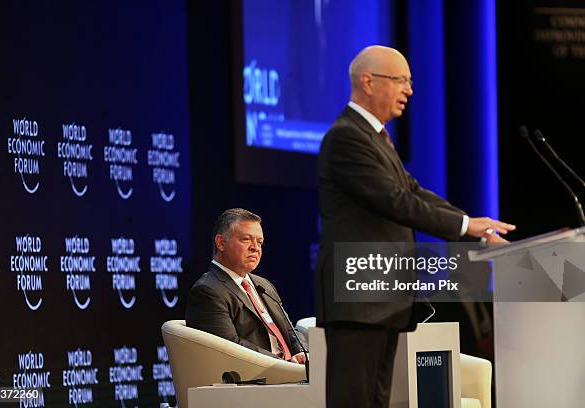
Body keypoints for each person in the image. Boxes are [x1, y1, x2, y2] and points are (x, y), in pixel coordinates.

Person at [315, 45, 515, 408]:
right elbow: (397, 201)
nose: (409, 90)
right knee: (353, 400)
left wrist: (474, 223)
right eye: (401, 80)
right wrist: (465, 227)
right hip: (360, 295)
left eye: (409, 81)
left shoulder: (375, 137)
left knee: (376, 400)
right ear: (368, 82)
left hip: (382, 294)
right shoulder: (346, 137)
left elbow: (412, 190)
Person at [186, 208, 307, 364]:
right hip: (257, 380)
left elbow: (290, 331)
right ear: (221, 243)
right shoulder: (207, 291)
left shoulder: (263, 285)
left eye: (259, 242)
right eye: (246, 239)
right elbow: (231, 348)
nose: (255, 247)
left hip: (293, 374)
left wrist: (305, 355)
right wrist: (284, 363)